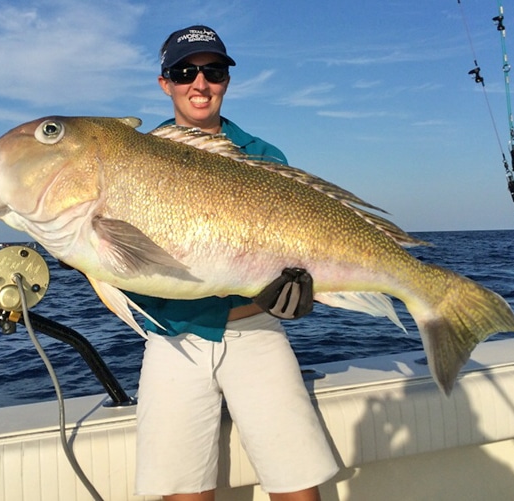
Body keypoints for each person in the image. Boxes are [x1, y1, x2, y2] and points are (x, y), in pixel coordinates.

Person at [131, 25, 338, 501]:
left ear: (226, 80)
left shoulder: (264, 157)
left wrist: (299, 292)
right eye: (185, 72)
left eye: (213, 71)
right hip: (172, 339)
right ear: (165, 83)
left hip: (257, 333)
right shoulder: (135, 158)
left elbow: (306, 247)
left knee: (299, 490)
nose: (199, 84)